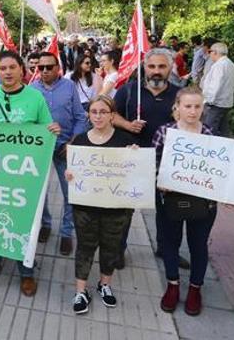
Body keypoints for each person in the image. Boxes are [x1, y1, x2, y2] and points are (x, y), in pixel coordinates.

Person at [0, 50, 62, 297]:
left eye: (12, 67)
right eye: (2, 68)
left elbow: (46, 130)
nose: (7, 72)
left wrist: (52, 129)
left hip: (24, 176)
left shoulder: (35, 98)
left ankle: (26, 272)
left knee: (24, 221)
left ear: (22, 70)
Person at [112, 48, 189, 269]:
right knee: (125, 209)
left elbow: (192, 122)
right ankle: (118, 250)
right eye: (152, 66)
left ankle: (166, 249)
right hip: (133, 159)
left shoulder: (179, 95)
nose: (156, 71)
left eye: (161, 67)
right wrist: (127, 124)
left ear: (170, 68)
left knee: (167, 211)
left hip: (166, 164)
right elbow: (111, 113)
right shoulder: (128, 91)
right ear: (144, 67)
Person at [65, 95, 137, 314]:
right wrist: (70, 174)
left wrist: (135, 157)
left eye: (103, 112)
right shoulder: (79, 141)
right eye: (94, 112)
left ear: (112, 115)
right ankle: (80, 291)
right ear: (89, 115)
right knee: (85, 247)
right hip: (85, 208)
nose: (98, 116)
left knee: (111, 248)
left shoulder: (125, 141)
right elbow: (73, 171)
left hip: (116, 208)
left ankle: (104, 285)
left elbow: (135, 173)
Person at [154, 87, 217, 316]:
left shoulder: (210, 134)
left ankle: (194, 289)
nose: (192, 111)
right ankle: (172, 285)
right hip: (170, 200)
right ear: (177, 107)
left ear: (203, 108)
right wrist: (159, 180)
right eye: (187, 106)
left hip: (203, 203)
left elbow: (219, 171)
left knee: (198, 245)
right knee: (170, 242)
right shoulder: (164, 132)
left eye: (197, 106)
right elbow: (154, 162)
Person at [31, 52, 87, 255]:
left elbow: (81, 117)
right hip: (40, 149)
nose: (44, 71)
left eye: (49, 67)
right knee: (39, 191)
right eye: (41, 67)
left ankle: (66, 232)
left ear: (58, 68)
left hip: (65, 147)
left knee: (70, 192)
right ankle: (45, 224)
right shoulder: (32, 88)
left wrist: (73, 141)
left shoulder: (69, 87)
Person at [199, 42, 234, 137]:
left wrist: (207, 101)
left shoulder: (219, 66)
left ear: (215, 52)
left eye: (210, 51)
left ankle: (209, 149)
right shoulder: (231, 64)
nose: (209, 54)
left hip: (215, 103)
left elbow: (214, 86)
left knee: (208, 130)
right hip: (226, 102)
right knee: (223, 130)